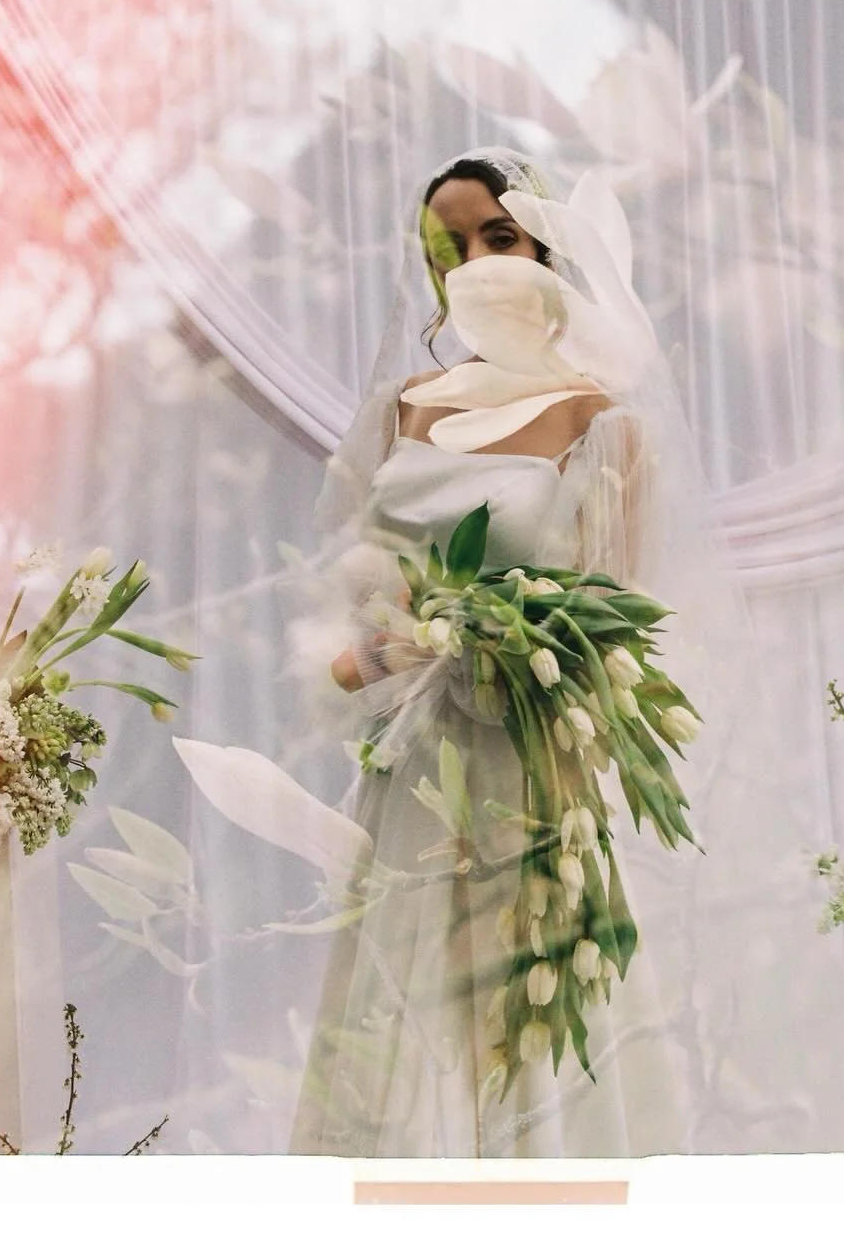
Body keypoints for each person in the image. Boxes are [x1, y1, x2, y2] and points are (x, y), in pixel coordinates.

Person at [289, 146, 725, 1158]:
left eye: (498, 235)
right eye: (451, 245)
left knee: (523, 1015)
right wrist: (381, 645)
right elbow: (353, 573)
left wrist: (499, 645)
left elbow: (618, 609)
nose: (475, 260)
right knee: (400, 1015)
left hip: (533, 764)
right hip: (416, 764)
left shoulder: (599, 420)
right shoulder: (402, 408)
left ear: (543, 246)